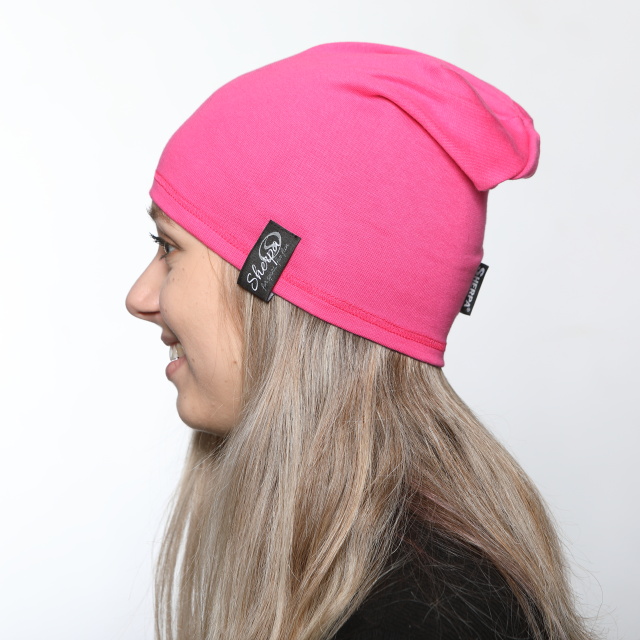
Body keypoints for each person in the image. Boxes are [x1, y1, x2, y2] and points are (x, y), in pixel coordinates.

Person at [126, 42, 594, 640]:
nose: (140, 296)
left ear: (270, 274)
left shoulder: (422, 618)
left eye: (169, 247)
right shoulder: (409, 589)